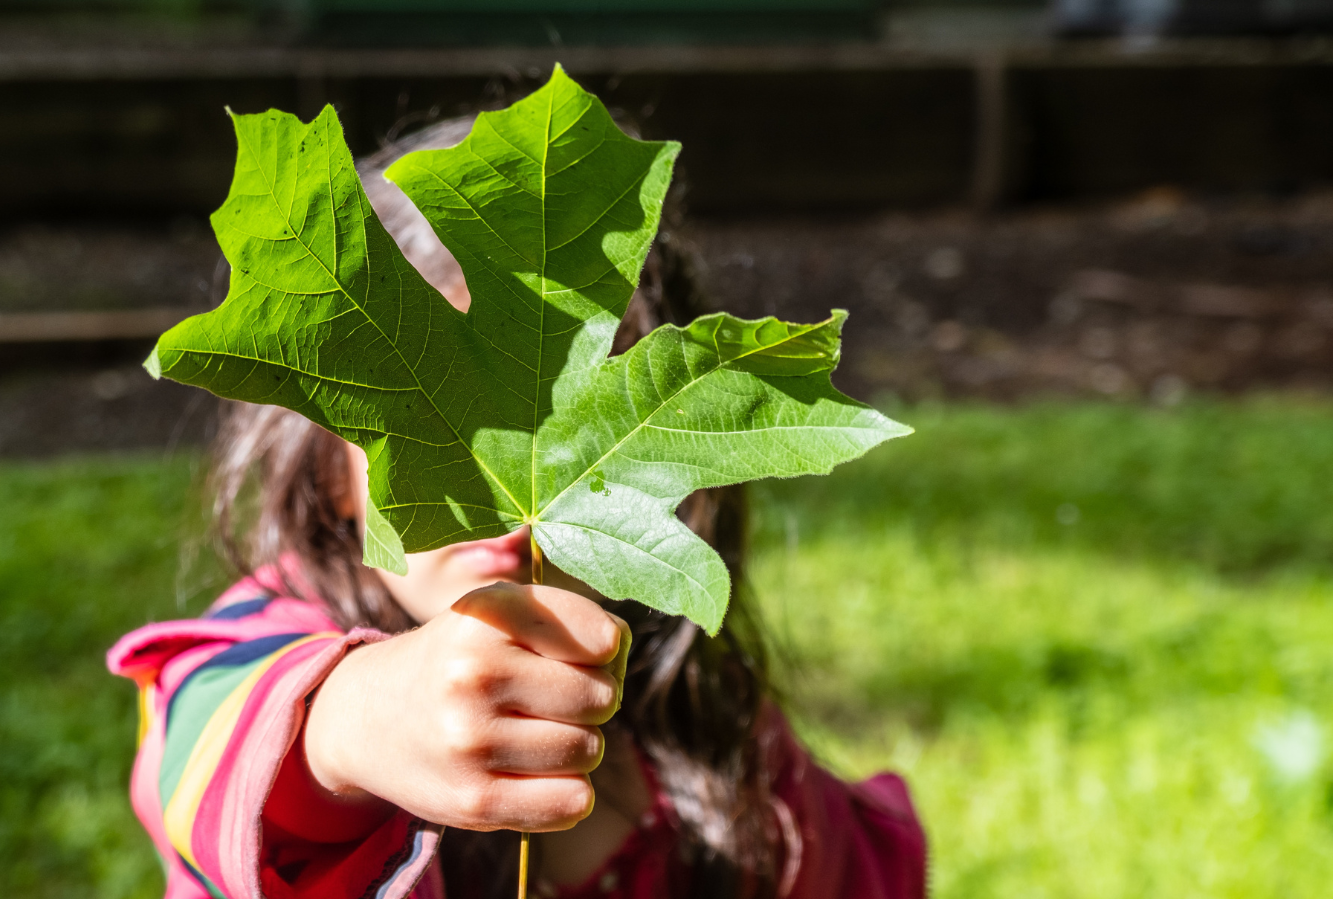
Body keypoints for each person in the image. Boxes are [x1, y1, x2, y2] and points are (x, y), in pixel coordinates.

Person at [108, 117, 926, 899]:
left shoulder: (707, 726)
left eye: (565, 430)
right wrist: (359, 723)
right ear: (328, 473)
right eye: (439, 431)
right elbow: (206, 750)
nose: (506, 510)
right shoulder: (261, 644)